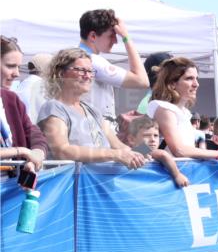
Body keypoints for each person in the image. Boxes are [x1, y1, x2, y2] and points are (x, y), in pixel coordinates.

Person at [37, 48, 145, 168]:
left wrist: (137, 156)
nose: (88, 76)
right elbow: (62, 151)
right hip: (72, 184)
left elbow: (118, 145)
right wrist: (115, 154)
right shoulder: (53, 107)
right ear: (61, 73)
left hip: (95, 183)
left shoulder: (92, 110)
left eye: (90, 71)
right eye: (81, 70)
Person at [149, 57, 218, 174]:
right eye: (189, 79)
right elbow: (179, 150)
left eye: (196, 78)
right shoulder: (164, 109)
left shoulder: (183, 112)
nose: (196, 84)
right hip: (164, 178)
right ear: (172, 83)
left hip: (182, 175)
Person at [77, 9, 149, 121]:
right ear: (93, 36)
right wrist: (126, 37)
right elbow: (142, 81)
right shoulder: (92, 61)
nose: (115, 41)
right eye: (111, 35)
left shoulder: (78, 57)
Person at [0, 41, 48, 172]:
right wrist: (21, 151)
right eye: (10, 66)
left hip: (12, 185)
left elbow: (35, 135)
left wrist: (35, 157)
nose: (17, 73)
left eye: (18, 67)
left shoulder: (11, 99)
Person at [124, 116, 189, 188]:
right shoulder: (141, 149)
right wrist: (177, 175)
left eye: (155, 135)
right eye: (147, 135)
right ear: (131, 139)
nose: (152, 139)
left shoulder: (130, 151)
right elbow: (163, 154)